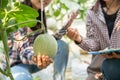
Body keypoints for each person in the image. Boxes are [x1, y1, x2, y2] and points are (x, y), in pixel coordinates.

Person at [4, 0, 78, 79]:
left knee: (62, 45)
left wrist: (67, 26)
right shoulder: (18, 12)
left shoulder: (40, 14)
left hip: (37, 61)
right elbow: (22, 47)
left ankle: (59, 78)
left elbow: (48, 40)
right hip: (17, 65)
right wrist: (35, 57)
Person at [66, 0, 120, 80]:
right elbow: (95, 44)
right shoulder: (92, 12)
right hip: (99, 66)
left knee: (112, 68)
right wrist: (79, 39)